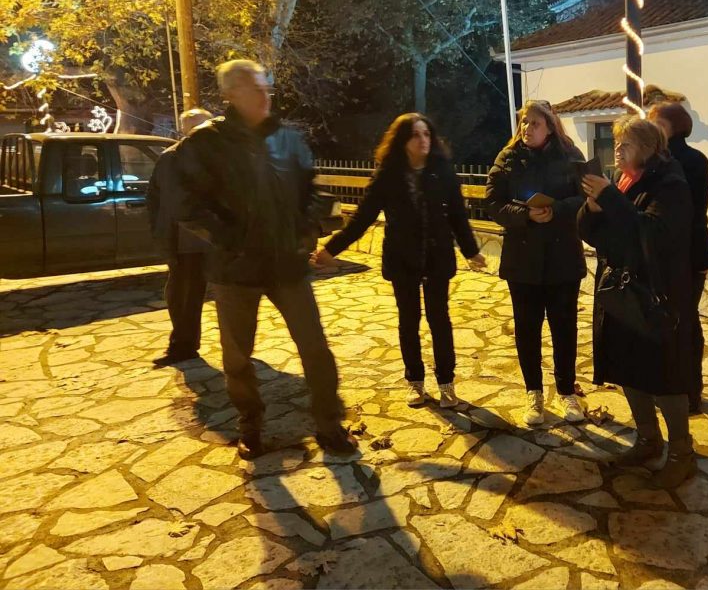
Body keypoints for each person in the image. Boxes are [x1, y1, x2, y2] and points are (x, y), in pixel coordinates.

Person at [176, 59, 355, 460]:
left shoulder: (287, 139)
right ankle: (251, 427)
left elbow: (311, 191)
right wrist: (230, 240)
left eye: (264, 87)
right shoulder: (206, 144)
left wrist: (306, 230)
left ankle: (329, 425)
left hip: (286, 264)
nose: (264, 95)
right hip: (235, 270)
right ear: (230, 94)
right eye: (252, 87)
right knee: (238, 356)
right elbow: (186, 206)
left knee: (315, 347)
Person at [313, 113, 486, 408]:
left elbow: (457, 215)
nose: (423, 140)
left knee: (440, 321)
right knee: (409, 321)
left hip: (437, 257)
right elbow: (363, 218)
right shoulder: (388, 175)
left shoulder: (442, 171)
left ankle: (447, 383)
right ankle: (415, 382)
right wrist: (332, 249)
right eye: (416, 135)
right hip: (402, 258)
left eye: (426, 134)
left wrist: (471, 251)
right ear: (402, 141)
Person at [579, 116, 697, 487]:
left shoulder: (670, 185)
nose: (617, 149)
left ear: (647, 149)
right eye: (616, 142)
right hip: (622, 292)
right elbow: (593, 234)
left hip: (655, 295)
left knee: (664, 374)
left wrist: (610, 199)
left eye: (626, 144)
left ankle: (681, 453)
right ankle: (648, 440)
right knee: (628, 367)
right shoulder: (623, 182)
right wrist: (592, 209)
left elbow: (654, 235)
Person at [485, 100, 587, 426]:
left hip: (562, 258)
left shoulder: (570, 156)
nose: (527, 128)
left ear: (550, 127)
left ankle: (566, 391)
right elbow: (493, 202)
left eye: (535, 123)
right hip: (523, 259)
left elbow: (584, 196)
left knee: (564, 329)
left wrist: (556, 210)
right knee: (527, 329)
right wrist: (525, 215)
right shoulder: (507, 157)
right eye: (524, 122)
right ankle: (534, 392)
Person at [649, 102, 708, 414]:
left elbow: (688, 210)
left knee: (684, 322)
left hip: (686, 255)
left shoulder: (687, 161)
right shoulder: (659, 160)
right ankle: (675, 387)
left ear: (671, 127)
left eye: (655, 123)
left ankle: (689, 391)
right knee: (674, 322)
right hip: (674, 254)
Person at [148, 107, 214, 367]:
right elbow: (157, 199)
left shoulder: (223, 157)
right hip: (188, 243)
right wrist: (161, 232)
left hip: (217, 239)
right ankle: (184, 345)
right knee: (183, 295)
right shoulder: (172, 159)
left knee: (233, 296)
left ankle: (237, 347)